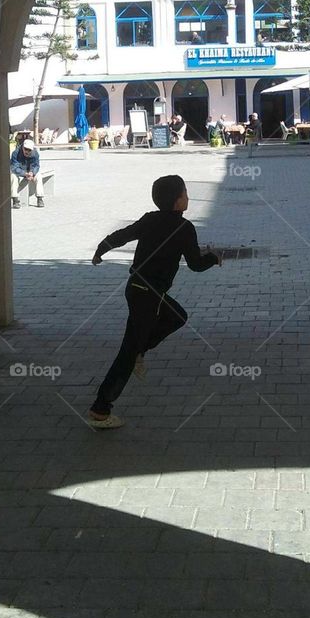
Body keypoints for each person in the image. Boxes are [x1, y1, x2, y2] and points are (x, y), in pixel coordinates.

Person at [88, 174, 221, 428]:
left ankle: (139, 351)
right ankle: (101, 409)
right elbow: (195, 265)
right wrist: (213, 258)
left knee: (177, 316)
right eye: (185, 193)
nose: (187, 197)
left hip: (138, 290)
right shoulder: (185, 229)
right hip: (149, 296)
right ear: (177, 201)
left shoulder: (150, 219)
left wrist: (101, 248)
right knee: (128, 352)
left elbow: (123, 235)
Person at [11, 137, 43, 208]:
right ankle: (15, 199)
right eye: (25, 149)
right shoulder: (15, 153)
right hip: (20, 171)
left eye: (29, 150)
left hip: (30, 172)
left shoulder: (35, 153)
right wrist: (24, 174)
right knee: (13, 176)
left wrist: (32, 173)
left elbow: (36, 166)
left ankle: (39, 198)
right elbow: (14, 168)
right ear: (22, 147)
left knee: (39, 176)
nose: (27, 151)